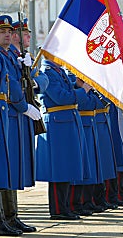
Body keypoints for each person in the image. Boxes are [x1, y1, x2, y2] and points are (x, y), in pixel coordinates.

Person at [0, 14, 43, 235]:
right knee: (1, 169)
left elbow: (20, 82)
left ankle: (10, 216)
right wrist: (24, 106)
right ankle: (1, 219)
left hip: (5, 115)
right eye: (2, 31)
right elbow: (11, 86)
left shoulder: (5, 55)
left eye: (9, 31)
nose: (8, 34)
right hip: (4, 114)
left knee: (7, 168)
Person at [36, 59, 92, 220]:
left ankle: (66, 206)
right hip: (57, 123)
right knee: (59, 170)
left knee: (68, 167)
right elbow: (61, 97)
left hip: (67, 121)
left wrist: (78, 87)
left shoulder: (58, 71)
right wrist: (83, 90)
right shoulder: (48, 72)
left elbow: (68, 91)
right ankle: (59, 209)